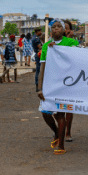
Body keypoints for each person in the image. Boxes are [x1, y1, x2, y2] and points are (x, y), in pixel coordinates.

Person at [37, 21, 80, 154]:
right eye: (53, 27)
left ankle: (61, 145)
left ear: (64, 30)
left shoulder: (71, 43)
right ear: (50, 31)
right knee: (45, 111)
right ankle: (56, 133)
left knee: (60, 112)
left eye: (59, 27)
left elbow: (78, 57)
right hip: (51, 83)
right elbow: (42, 68)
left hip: (66, 84)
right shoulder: (46, 46)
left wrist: (57, 49)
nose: (56, 29)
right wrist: (39, 87)